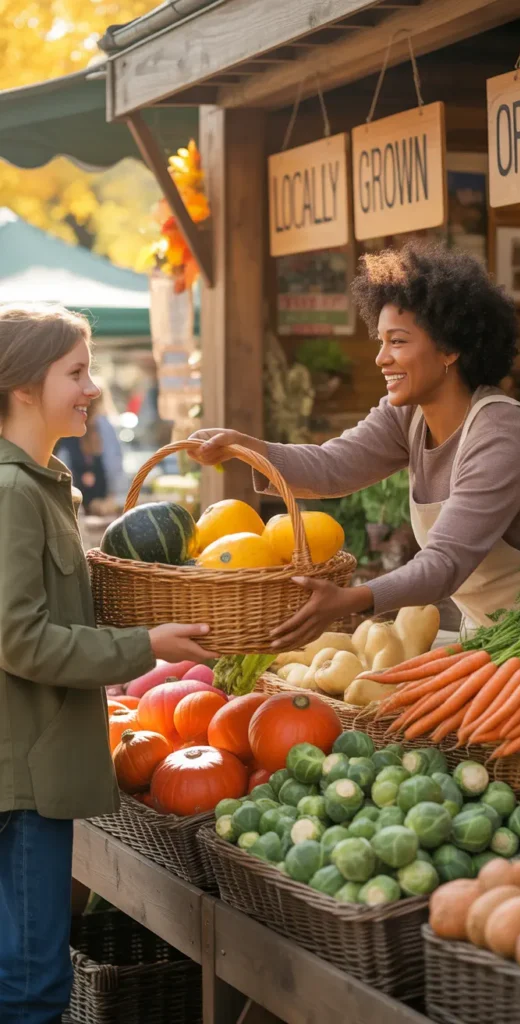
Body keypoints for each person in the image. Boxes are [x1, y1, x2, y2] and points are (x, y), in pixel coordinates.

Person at [191, 241, 520, 650]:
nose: (380, 358)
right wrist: (245, 448)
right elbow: (331, 466)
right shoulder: (407, 415)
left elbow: (445, 563)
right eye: (380, 340)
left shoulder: (501, 431)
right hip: (493, 640)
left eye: (398, 342)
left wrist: (350, 601)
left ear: (449, 349)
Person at [0, 303, 216, 1024]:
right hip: (23, 780)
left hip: (31, 767)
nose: (91, 388)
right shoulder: (12, 494)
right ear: (24, 385)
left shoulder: (40, 483)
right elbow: (21, 639)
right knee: (32, 988)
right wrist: (145, 644)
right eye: (77, 372)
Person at [56, 387, 126, 513]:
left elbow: (117, 471)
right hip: (73, 509)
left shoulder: (105, 428)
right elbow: (62, 476)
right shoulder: (66, 433)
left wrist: (111, 501)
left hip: (103, 509)